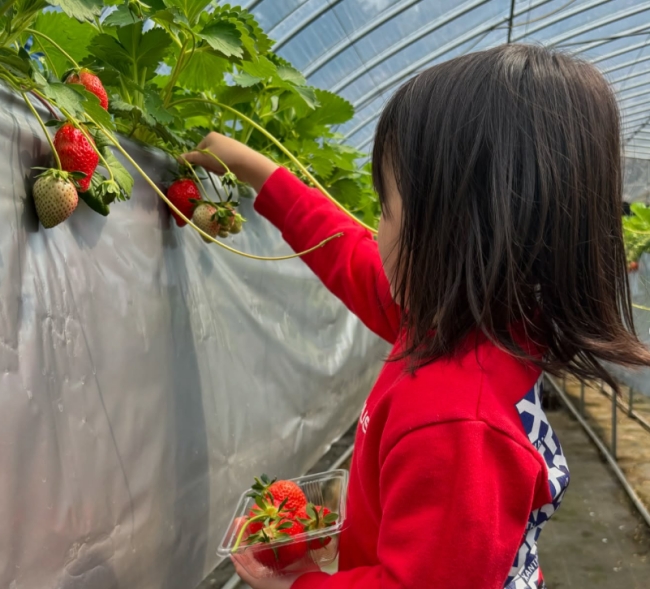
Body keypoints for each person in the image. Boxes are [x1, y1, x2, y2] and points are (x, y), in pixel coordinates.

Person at [182, 44, 650, 589]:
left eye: (385, 209)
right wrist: (257, 171)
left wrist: (300, 583)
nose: (375, 230)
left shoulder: (455, 421)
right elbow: (348, 254)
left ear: (456, 233)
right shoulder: (471, 325)